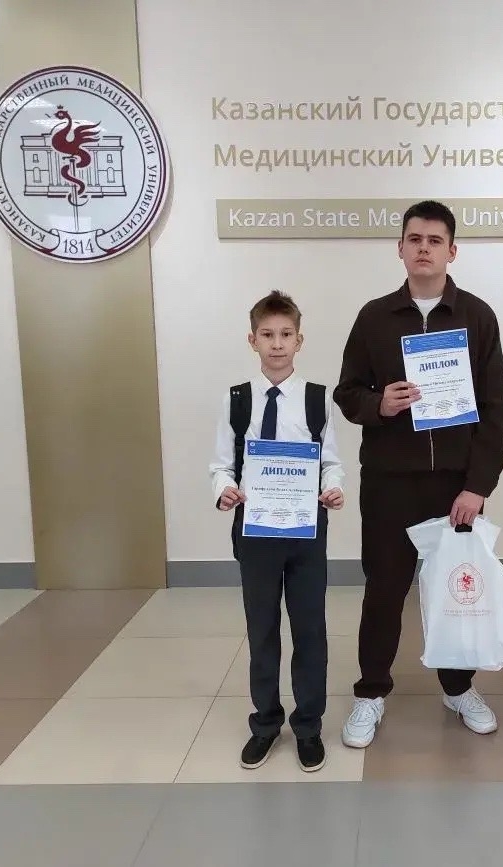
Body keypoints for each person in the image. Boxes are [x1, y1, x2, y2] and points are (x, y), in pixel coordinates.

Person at [333, 200, 503, 748]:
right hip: (389, 481)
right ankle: (370, 693)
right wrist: (379, 404)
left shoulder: (477, 317)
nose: (424, 248)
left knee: (456, 590)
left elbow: (495, 408)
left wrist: (478, 486)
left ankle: (458, 688)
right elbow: (346, 393)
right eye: (415, 239)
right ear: (401, 249)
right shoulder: (374, 317)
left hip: (454, 485)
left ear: (452, 251)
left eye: (435, 240)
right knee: (384, 590)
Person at [209, 290, 345, 772]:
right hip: (256, 531)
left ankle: (308, 726)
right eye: (267, 335)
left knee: (309, 629)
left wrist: (333, 487)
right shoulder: (237, 399)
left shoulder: (317, 398)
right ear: (253, 340)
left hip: (306, 531)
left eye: (286, 334)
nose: (277, 343)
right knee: (262, 629)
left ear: (299, 340)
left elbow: (331, 461)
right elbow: (222, 464)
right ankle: (265, 722)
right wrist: (225, 490)